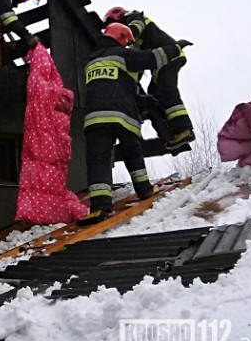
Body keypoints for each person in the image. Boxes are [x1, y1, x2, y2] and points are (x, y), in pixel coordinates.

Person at [80, 23, 192, 225]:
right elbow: (151, 58)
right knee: (133, 154)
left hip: (95, 119)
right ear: (122, 38)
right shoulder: (123, 56)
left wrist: (142, 100)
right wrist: (175, 48)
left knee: (98, 160)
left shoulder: (92, 62)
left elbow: (113, 87)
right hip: (123, 117)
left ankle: (99, 207)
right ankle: (145, 190)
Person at [104, 6, 194, 148]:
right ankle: (171, 130)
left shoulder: (135, 18)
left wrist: (125, 35)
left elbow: (136, 27)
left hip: (170, 56)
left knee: (166, 90)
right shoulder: (135, 44)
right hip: (163, 61)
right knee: (154, 93)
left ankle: (183, 129)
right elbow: (139, 64)